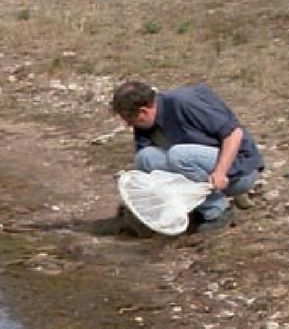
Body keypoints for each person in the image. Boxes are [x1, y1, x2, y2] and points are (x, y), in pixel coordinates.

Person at [111, 78, 264, 233]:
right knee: (145, 158)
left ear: (143, 111)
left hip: (239, 169)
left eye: (129, 120)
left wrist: (221, 172)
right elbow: (151, 173)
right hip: (203, 171)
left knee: (179, 155)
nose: (129, 125)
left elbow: (234, 134)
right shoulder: (145, 124)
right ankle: (195, 208)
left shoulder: (184, 102)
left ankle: (218, 211)